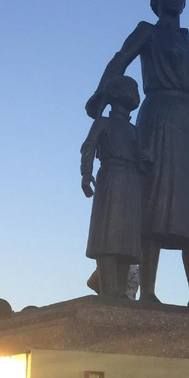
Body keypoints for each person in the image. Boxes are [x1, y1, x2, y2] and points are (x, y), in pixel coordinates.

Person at [85, 0, 189, 308]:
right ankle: (148, 291)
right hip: (159, 117)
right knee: (153, 203)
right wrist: (100, 95)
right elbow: (120, 60)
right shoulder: (147, 32)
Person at [81, 76, 150, 298]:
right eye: (131, 88)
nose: (135, 93)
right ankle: (109, 289)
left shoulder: (135, 130)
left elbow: (145, 163)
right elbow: (88, 146)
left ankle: (120, 291)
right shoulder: (103, 123)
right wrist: (86, 173)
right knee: (108, 234)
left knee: (127, 240)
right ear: (115, 94)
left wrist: (147, 159)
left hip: (133, 182)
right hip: (111, 177)